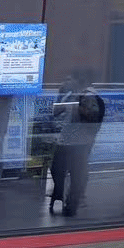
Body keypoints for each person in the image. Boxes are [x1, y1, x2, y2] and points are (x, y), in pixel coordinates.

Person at [49, 72, 104, 218]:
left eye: (69, 79)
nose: (66, 82)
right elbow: (56, 111)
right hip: (72, 140)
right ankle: (65, 200)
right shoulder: (74, 95)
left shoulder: (88, 97)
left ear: (77, 81)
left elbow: (88, 118)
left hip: (76, 142)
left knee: (72, 172)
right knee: (64, 171)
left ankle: (70, 203)